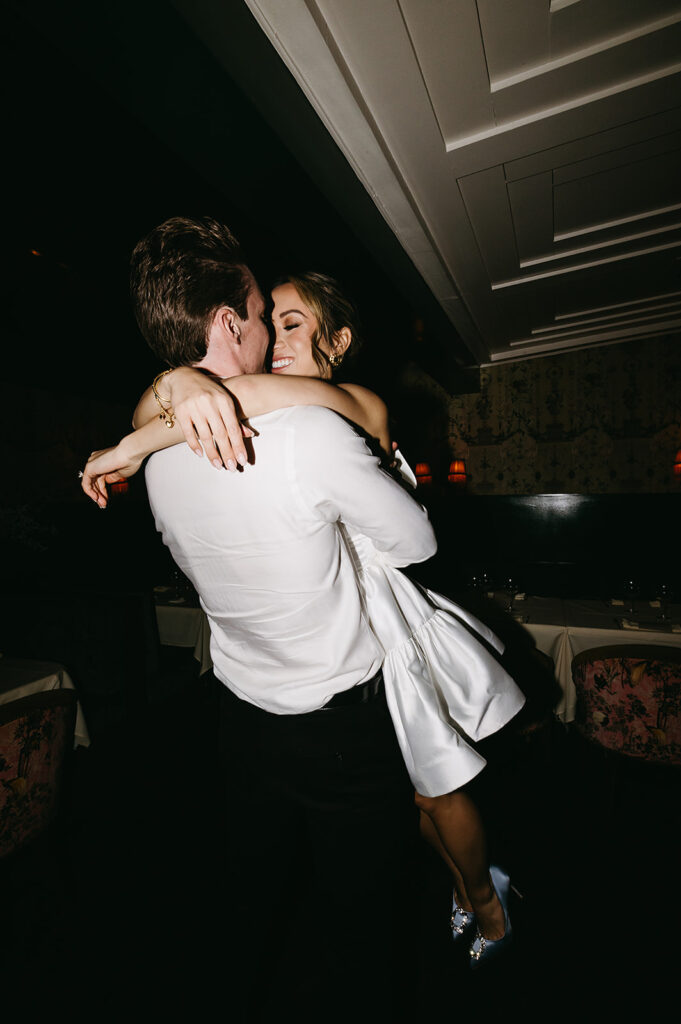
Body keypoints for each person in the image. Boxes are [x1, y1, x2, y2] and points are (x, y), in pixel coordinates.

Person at [83, 260, 524, 968]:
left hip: (388, 628)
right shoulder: (273, 414)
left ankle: (485, 898)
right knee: (410, 800)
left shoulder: (353, 402)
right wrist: (177, 392)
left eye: (294, 323)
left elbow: (243, 394)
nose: (278, 336)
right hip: (342, 652)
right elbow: (233, 400)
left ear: (338, 341)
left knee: (436, 789)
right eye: (271, 320)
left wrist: (152, 419)